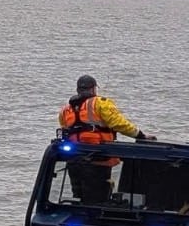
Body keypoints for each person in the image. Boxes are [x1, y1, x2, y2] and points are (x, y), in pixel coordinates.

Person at [58, 75, 154, 203]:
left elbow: (65, 130)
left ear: (78, 90)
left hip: (74, 161)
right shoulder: (100, 103)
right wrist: (140, 136)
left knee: (79, 197)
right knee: (98, 200)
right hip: (98, 158)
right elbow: (119, 123)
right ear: (93, 89)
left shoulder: (65, 110)